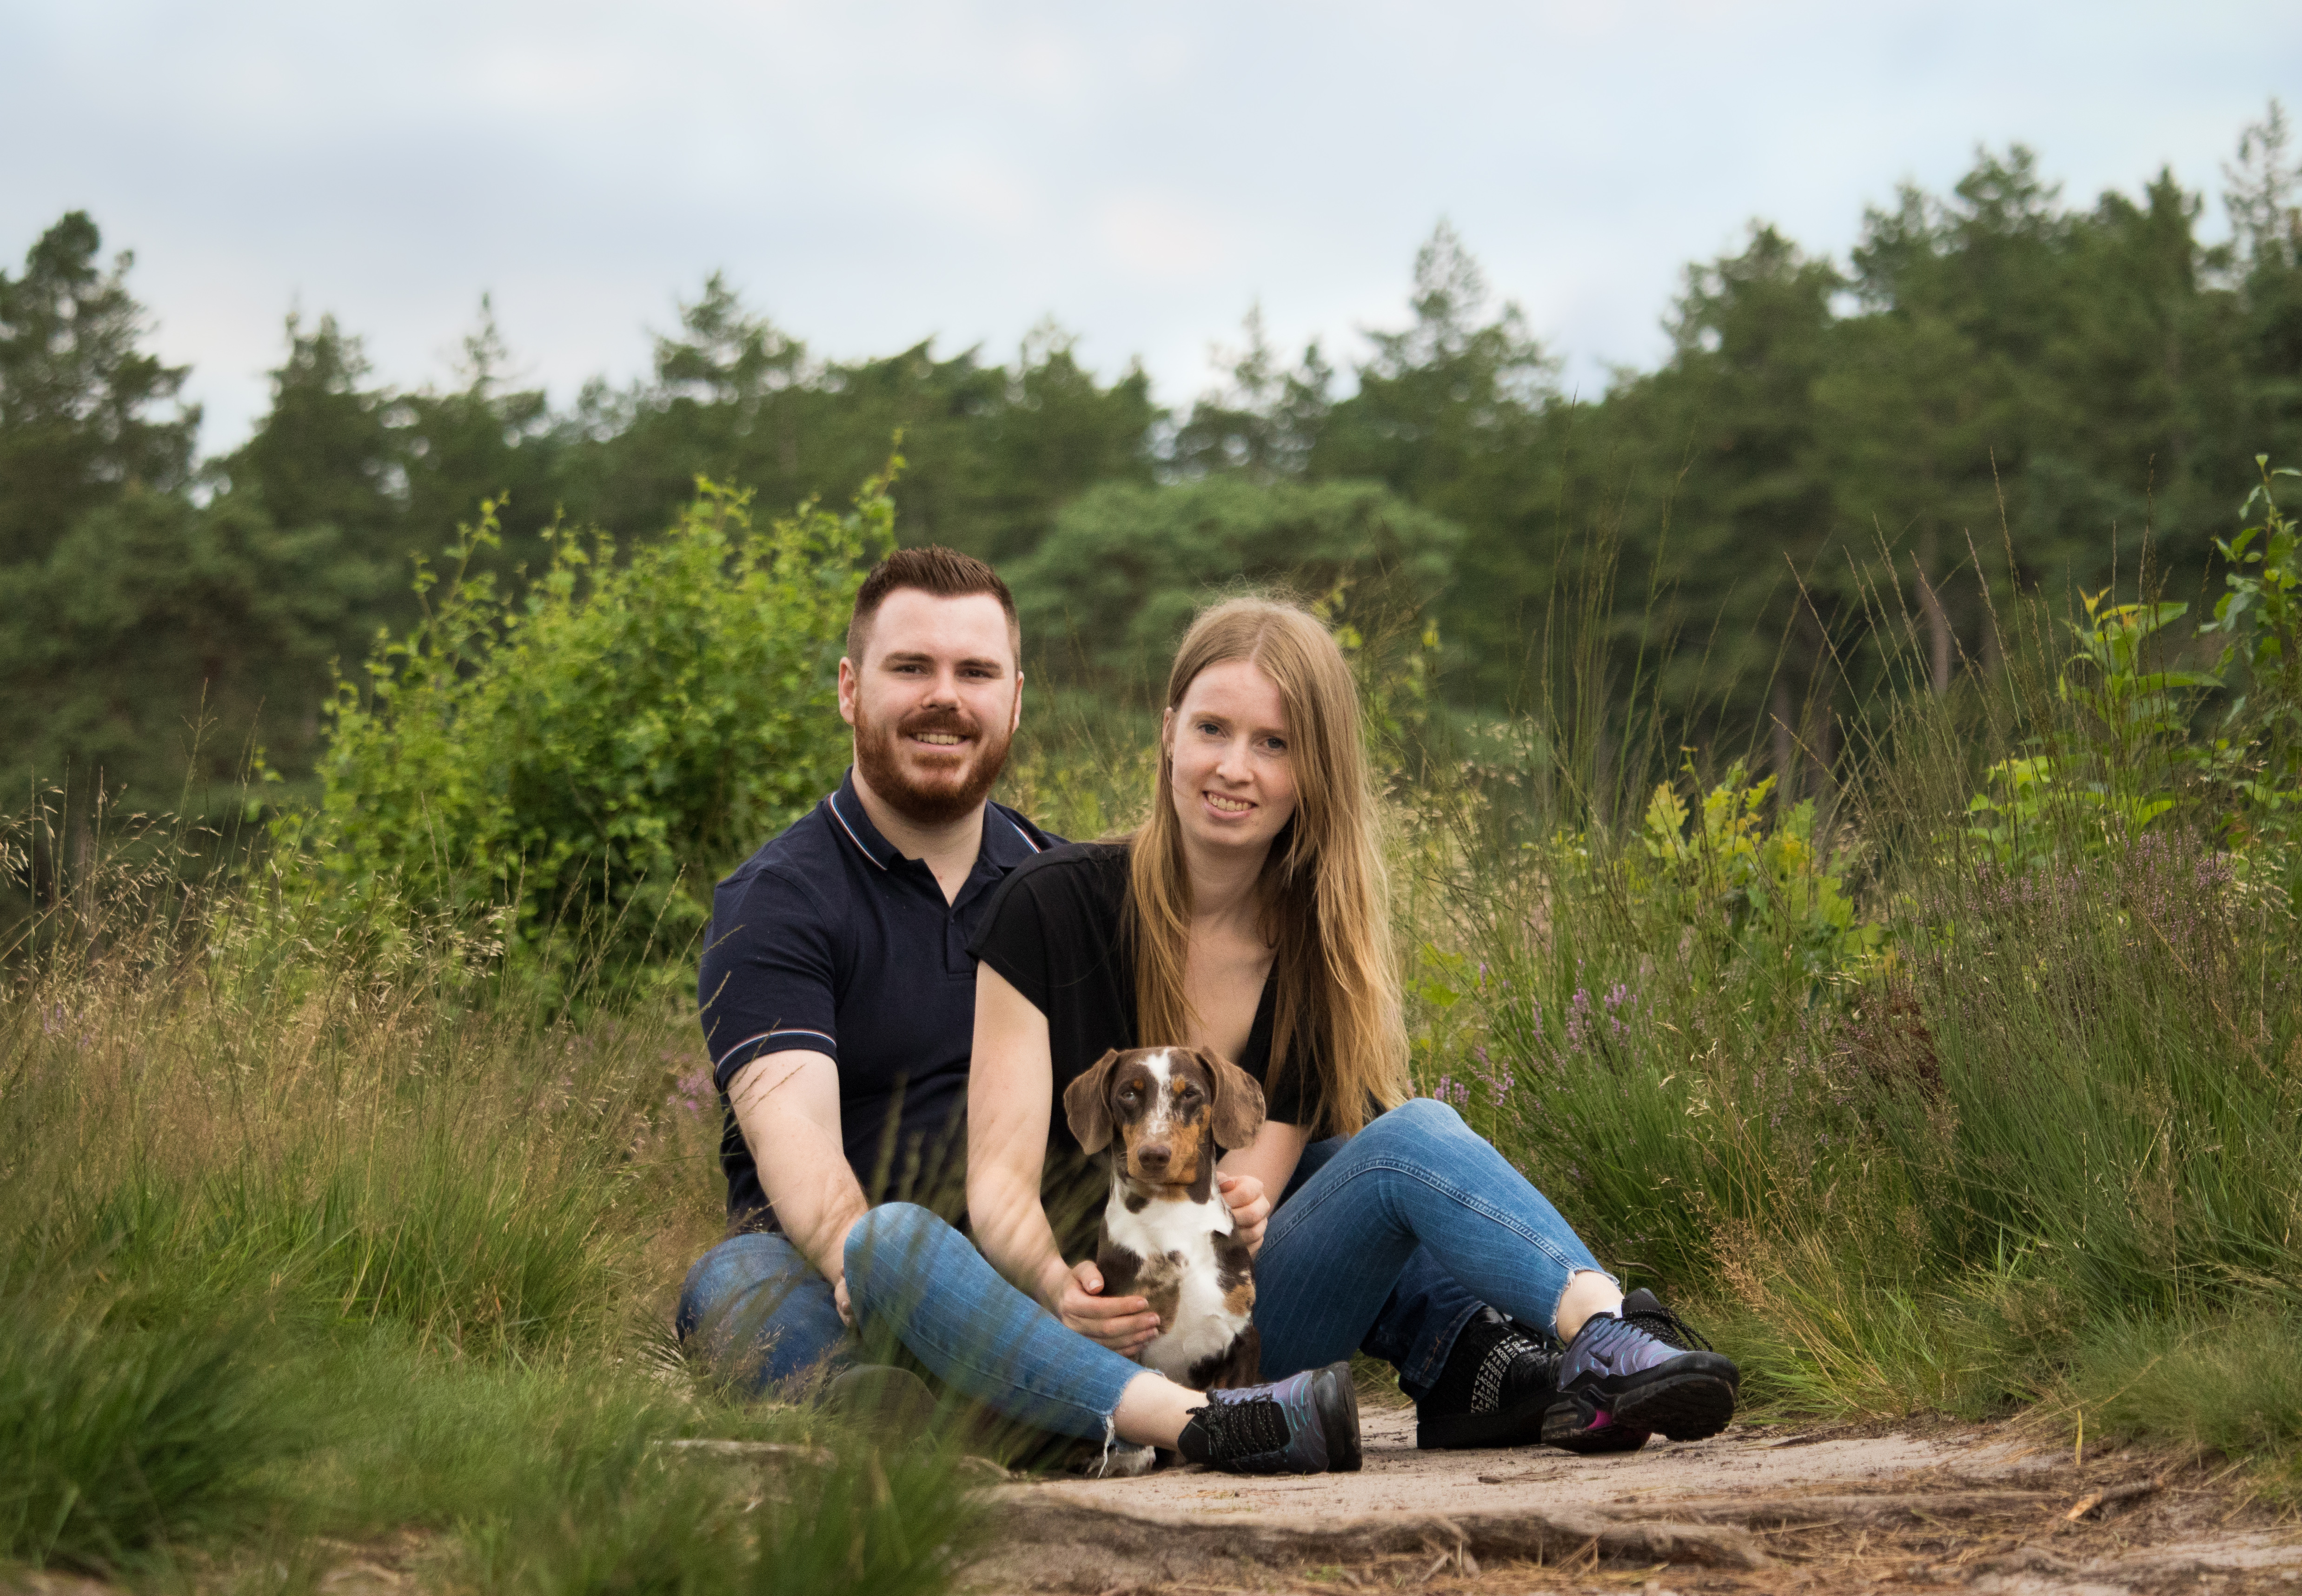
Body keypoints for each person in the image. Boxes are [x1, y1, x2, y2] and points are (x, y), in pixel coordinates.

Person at [942, 596, 1741, 1456]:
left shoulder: (1315, 955)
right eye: (1212, 729)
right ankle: (1545, 1353)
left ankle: (1607, 1336)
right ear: (1168, 732)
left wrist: (1246, 1210)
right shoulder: (1048, 907)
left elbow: (1235, 1223)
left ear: (1314, 770)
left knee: (1408, 1135)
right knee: (1381, 1146)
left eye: (1274, 744)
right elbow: (996, 1184)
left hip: (1230, 1351)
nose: (1234, 767)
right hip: (1080, 1346)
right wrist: (1060, 1287)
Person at [678, 548, 1358, 1472]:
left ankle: (1479, 1348)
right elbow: (795, 1144)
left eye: (975, 672)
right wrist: (865, 1266)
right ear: (849, 688)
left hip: (1054, 1269)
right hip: (854, 1279)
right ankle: (933, 1423)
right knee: (733, 1281)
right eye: (910, 667)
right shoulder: (779, 901)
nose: (944, 697)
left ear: (1016, 699)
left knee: (1341, 1156)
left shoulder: (1065, 891)